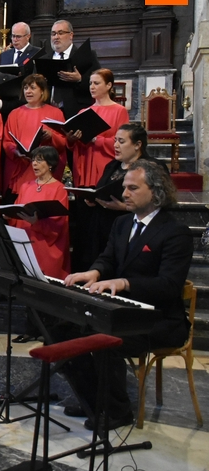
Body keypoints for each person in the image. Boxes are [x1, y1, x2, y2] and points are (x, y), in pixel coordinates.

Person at [61, 160, 191, 430]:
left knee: (105, 339)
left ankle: (118, 411)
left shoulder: (175, 232)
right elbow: (108, 258)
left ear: (155, 192)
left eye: (133, 188)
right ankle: (93, 400)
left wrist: (124, 282)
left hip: (160, 319)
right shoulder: (121, 223)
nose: (124, 194)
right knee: (63, 329)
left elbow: (168, 285)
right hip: (122, 310)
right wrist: (95, 272)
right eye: (125, 187)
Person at [4, 146, 69, 343]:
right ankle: (31, 329)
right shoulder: (26, 186)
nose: (35, 163)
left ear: (50, 164)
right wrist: (9, 216)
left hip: (47, 245)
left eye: (40, 160)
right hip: (27, 242)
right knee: (28, 289)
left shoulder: (58, 189)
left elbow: (59, 222)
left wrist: (37, 223)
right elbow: (19, 211)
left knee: (46, 291)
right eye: (33, 160)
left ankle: (49, 333)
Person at [81, 123, 167, 269]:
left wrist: (124, 207)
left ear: (137, 145)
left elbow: (160, 201)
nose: (115, 145)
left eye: (121, 141)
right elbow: (103, 189)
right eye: (115, 140)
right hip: (103, 228)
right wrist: (93, 197)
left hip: (132, 229)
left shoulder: (152, 167)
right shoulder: (112, 165)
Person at [68, 68, 129, 270]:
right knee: (84, 228)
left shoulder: (119, 111)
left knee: (102, 227)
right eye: (90, 83)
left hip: (106, 172)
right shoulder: (83, 112)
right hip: (84, 169)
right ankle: (82, 270)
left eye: (96, 83)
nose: (92, 87)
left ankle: (104, 269)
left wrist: (97, 139)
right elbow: (74, 146)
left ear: (109, 85)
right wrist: (72, 139)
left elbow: (123, 142)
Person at [2, 74, 66, 197]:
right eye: (25, 88)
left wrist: (51, 136)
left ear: (42, 91)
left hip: (44, 167)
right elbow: (7, 141)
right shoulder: (14, 114)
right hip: (21, 165)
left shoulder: (55, 113)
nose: (28, 91)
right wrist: (16, 152)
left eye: (32, 88)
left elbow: (63, 142)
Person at [49, 19, 101, 119]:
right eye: (53, 34)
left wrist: (80, 79)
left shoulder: (87, 56)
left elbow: (99, 82)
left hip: (77, 111)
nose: (56, 37)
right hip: (50, 112)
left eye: (60, 33)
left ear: (71, 35)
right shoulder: (44, 59)